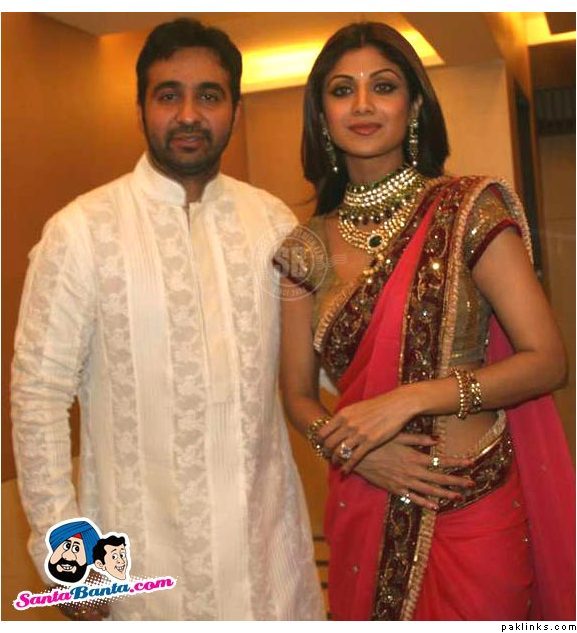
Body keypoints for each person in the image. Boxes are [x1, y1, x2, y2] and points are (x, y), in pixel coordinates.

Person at [11, 18, 325, 621]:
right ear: (141, 109)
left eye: (209, 96)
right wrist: (70, 564)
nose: (188, 115)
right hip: (139, 579)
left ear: (235, 110)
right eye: (168, 95)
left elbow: (318, 363)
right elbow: (38, 396)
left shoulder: (273, 224)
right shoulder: (82, 232)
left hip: (268, 570)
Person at [275, 22, 575, 621]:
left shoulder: (470, 208)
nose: (362, 104)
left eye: (383, 86)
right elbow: (298, 396)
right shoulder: (303, 249)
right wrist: (357, 454)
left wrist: (410, 399)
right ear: (322, 116)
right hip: (365, 496)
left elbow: (548, 362)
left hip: (471, 500)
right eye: (342, 90)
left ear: (413, 106)